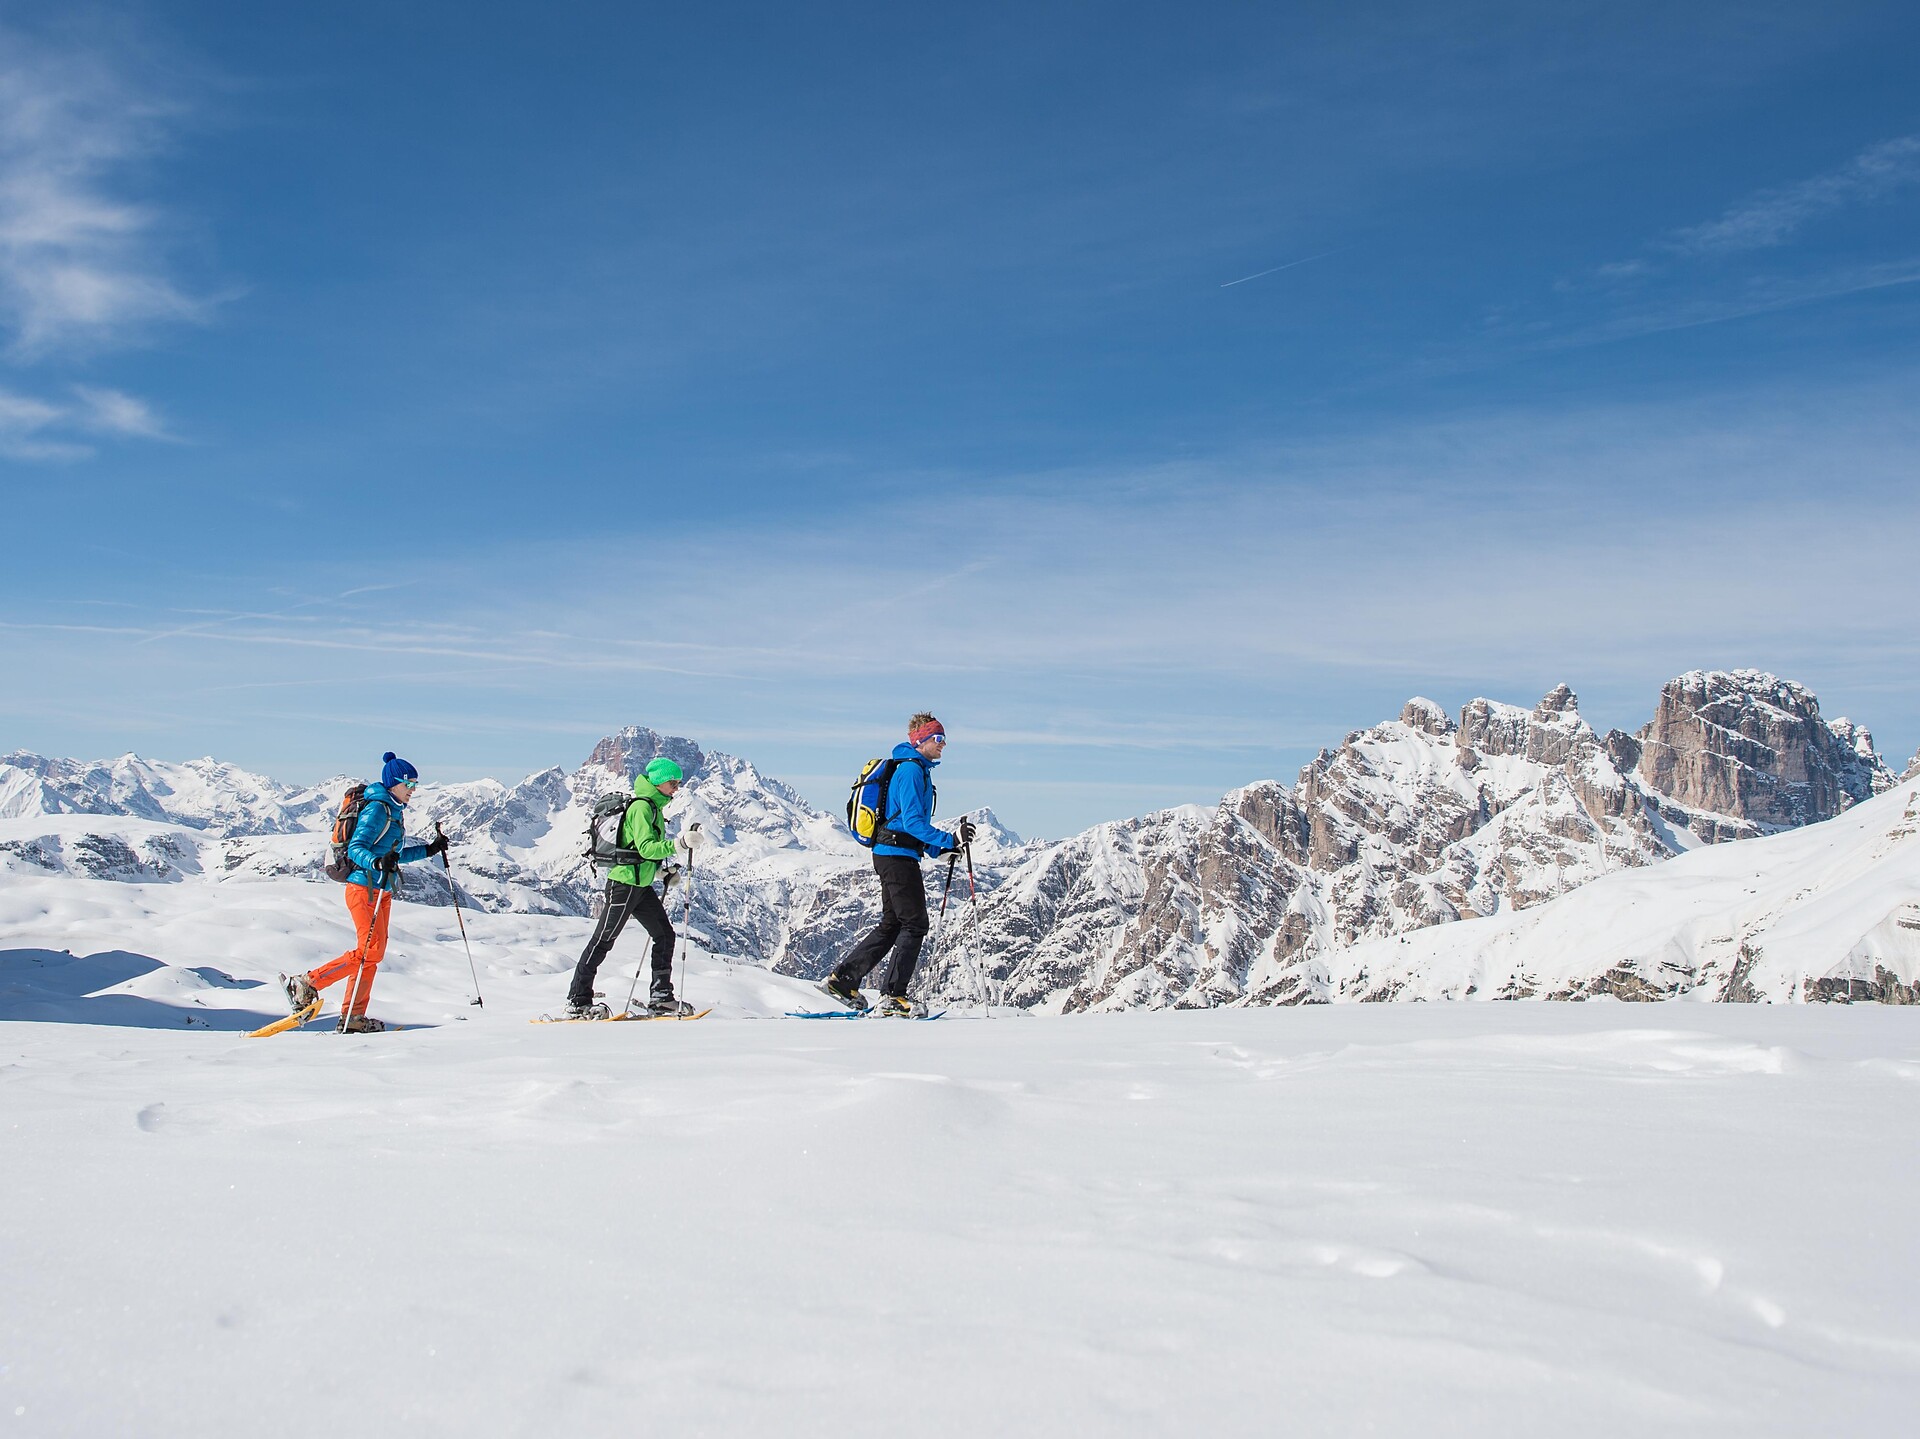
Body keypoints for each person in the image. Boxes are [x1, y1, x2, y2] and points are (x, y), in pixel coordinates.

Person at [822, 714, 976, 1017]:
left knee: (893, 924)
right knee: (915, 924)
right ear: (921, 740)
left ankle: (844, 981)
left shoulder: (915, 769)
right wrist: (948, 838)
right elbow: (912, 822)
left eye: (944, 739)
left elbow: (907, 824)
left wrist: (942, 849)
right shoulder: (909, 771)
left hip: (894, 852)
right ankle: (893, 995)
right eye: (938, 738)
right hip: (896, 856)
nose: (943, 745)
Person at [283, 752, 447, 1034]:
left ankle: (354, 1017)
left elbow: (393, 855)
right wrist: (375, 861)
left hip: (381, 889)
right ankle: (308, 982)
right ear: (394, 783)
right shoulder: (377, 809)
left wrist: (429, 850)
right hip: (363, 888)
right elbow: (357, 848)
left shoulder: (394, 811)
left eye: (415, 785)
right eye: (409, 785)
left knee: (373, 954)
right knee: (369, 951)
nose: (413, 790)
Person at [565, 756, 700, 1019]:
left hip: (639, 884)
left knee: (664, 935)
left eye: (678, 783)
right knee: (603, 941)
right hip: (624, 885)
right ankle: (577, 1000)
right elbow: (647, 848)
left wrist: (660, 873)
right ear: (660, 782)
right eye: (673, 783)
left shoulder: (653, 807)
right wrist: (680, 844)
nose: (676, 788)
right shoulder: (642, 807)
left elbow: (638, 852)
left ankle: (661, 998)